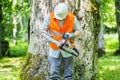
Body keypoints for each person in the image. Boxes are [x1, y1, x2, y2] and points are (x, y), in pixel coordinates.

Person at [42, 3, 81, 80]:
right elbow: (43, 30)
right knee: (53, 75)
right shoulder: (49, 17)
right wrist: (49, 38)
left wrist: (70, 36)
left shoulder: (72, 18)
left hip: (68, 48)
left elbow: (79, 31)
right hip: (54, 48)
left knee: (69, 75)